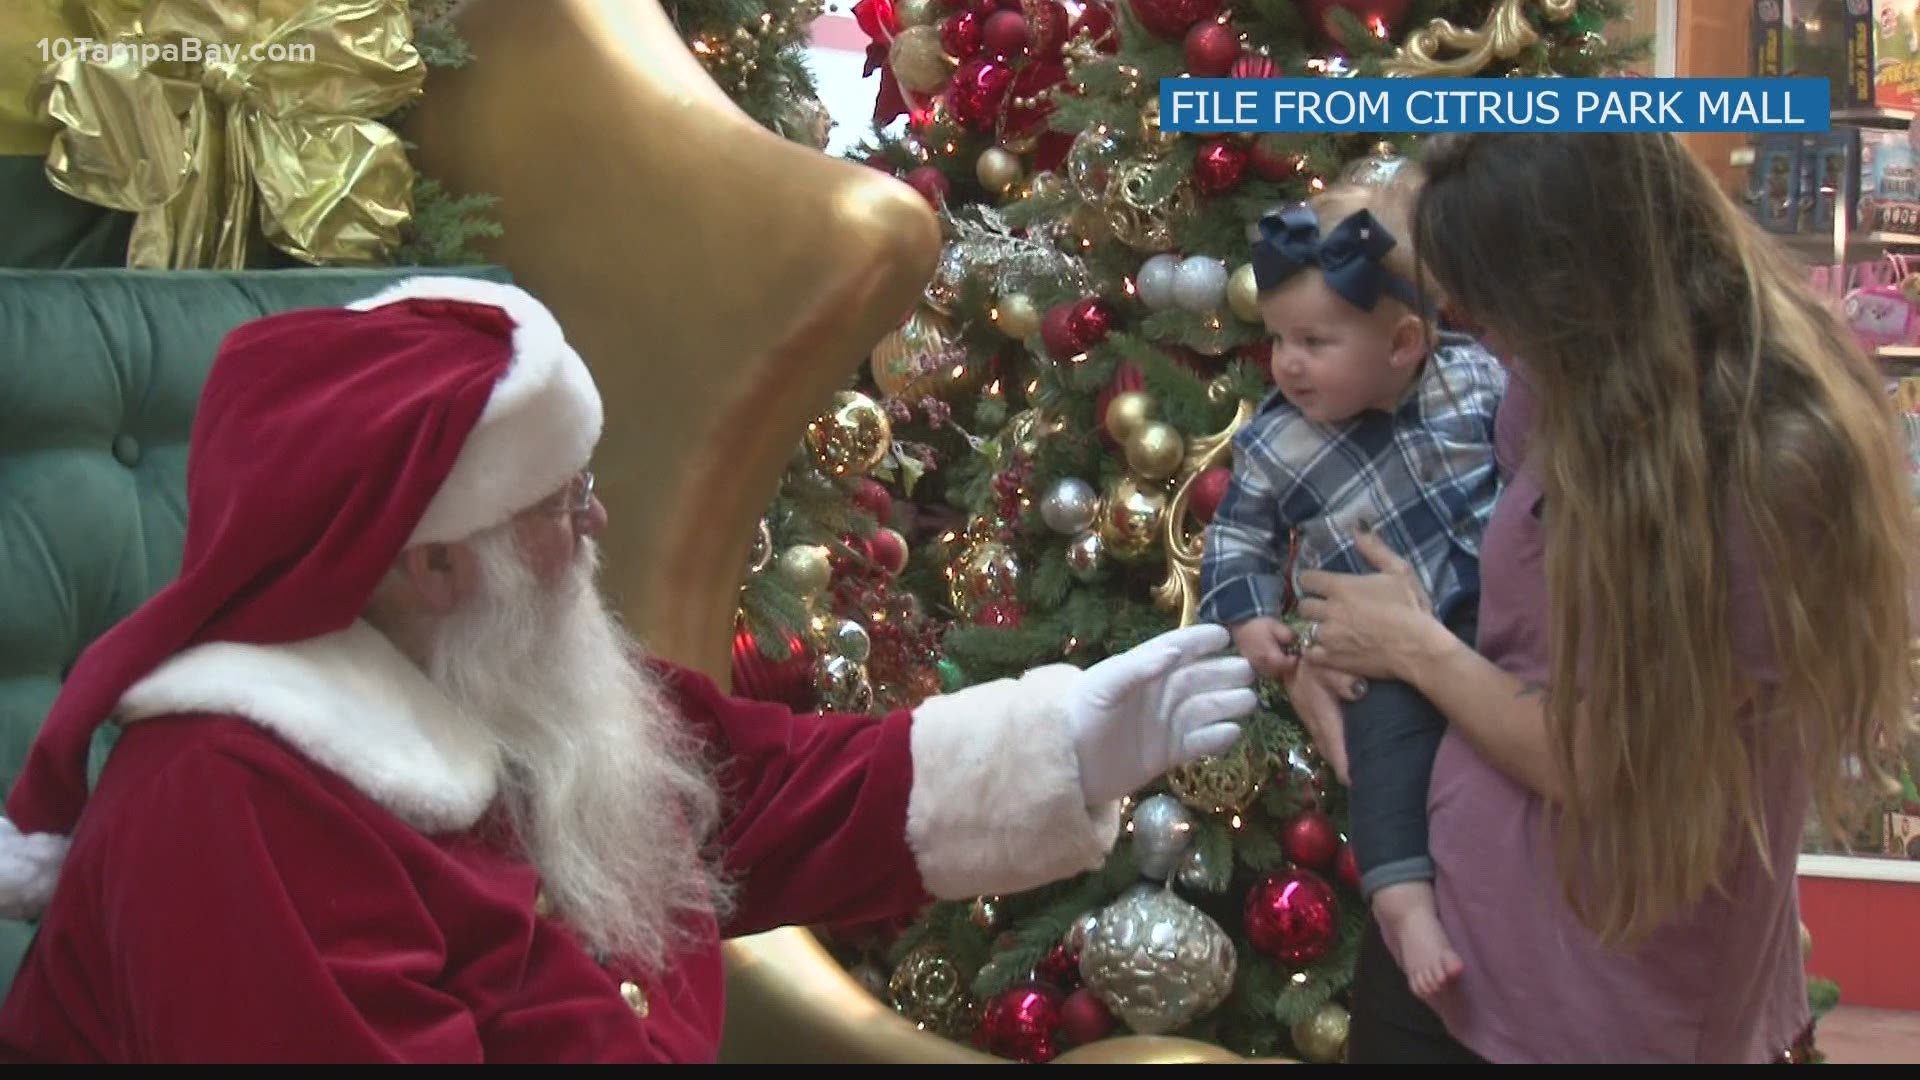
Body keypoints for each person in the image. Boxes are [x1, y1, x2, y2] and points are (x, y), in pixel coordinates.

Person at [0, 277, 1260, 1063]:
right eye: (561, 502)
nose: (596, 525)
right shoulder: (234, 804)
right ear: (432, 564)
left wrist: (1059, 745)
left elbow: (746, 793)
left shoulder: (489, 668)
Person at [1282, 133, 1916, 1064]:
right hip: (1464, 936)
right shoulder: (1558, 383)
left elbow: (1606, 754)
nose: (1476, 334)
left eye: (1489, 308)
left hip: (1609, 991)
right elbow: (1525, 616)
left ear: (1577, 289)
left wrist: (1415, 648)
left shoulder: (1770, 466)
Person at [1197, 179, 1505, 1002]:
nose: (1287, 363)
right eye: (1277, 340)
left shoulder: (1474, 381)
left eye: (1315, 341)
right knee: (1388, 769)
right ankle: (1406, 908)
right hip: (1375, 659)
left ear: (1403, 343)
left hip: (1500, 617)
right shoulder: (1275, 441)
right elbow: (1238, 533)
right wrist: (1252, 615)